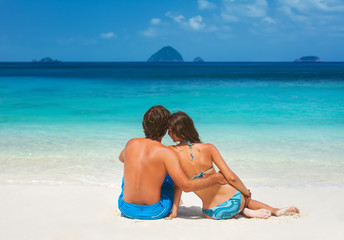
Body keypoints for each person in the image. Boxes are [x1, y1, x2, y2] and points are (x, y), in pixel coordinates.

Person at [167, 111, 299, 220]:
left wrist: (174, 212)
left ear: (179, 131)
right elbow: (230, 177)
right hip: (235, 201)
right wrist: (245, 193)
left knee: (212, 207)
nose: (168, 134)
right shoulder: (208, 148)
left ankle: (244, 212)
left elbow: (178, 186)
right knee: (245, 199)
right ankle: (273, 211)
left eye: (170, 130)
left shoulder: (171, 153)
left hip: (212, 213)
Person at [118, 105, 227, 220]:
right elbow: (186, 186)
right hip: (155, 211)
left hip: (126, 209)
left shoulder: (131, 143)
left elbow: (122, 158)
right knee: (169, 174)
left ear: (143, 124)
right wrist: (216, 178)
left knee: (131, 172)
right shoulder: (166, 153)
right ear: (165, 130)